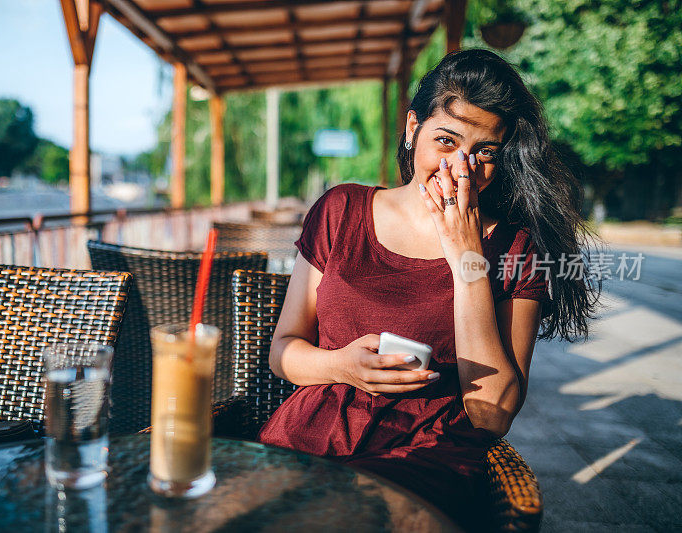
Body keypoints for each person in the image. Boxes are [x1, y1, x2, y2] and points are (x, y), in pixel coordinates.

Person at [257, 49, 599, 530]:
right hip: (310, 433)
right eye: (446, 140)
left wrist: (467, 259)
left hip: (426, 450)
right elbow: (282, 350)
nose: (462, 166)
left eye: (485, 152)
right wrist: (340, 365)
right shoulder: (341, 209)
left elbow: (493, 413)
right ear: (412, 128)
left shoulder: (515, 246)